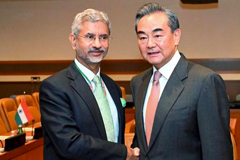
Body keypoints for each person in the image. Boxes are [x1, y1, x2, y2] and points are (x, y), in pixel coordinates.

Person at [130, 2, 233, 160]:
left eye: (157, 35)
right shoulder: (138, 82)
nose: (150, 44)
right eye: (143, 37)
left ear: (176, 35)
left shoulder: (204, 81)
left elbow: (217, 151)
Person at [40, 9, 139, 160]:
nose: (98, 44)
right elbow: (69, 144)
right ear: (73, 41)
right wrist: (123, 153)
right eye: (90, 37)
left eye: (103, 37)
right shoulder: (55, 87)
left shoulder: (113, 88)